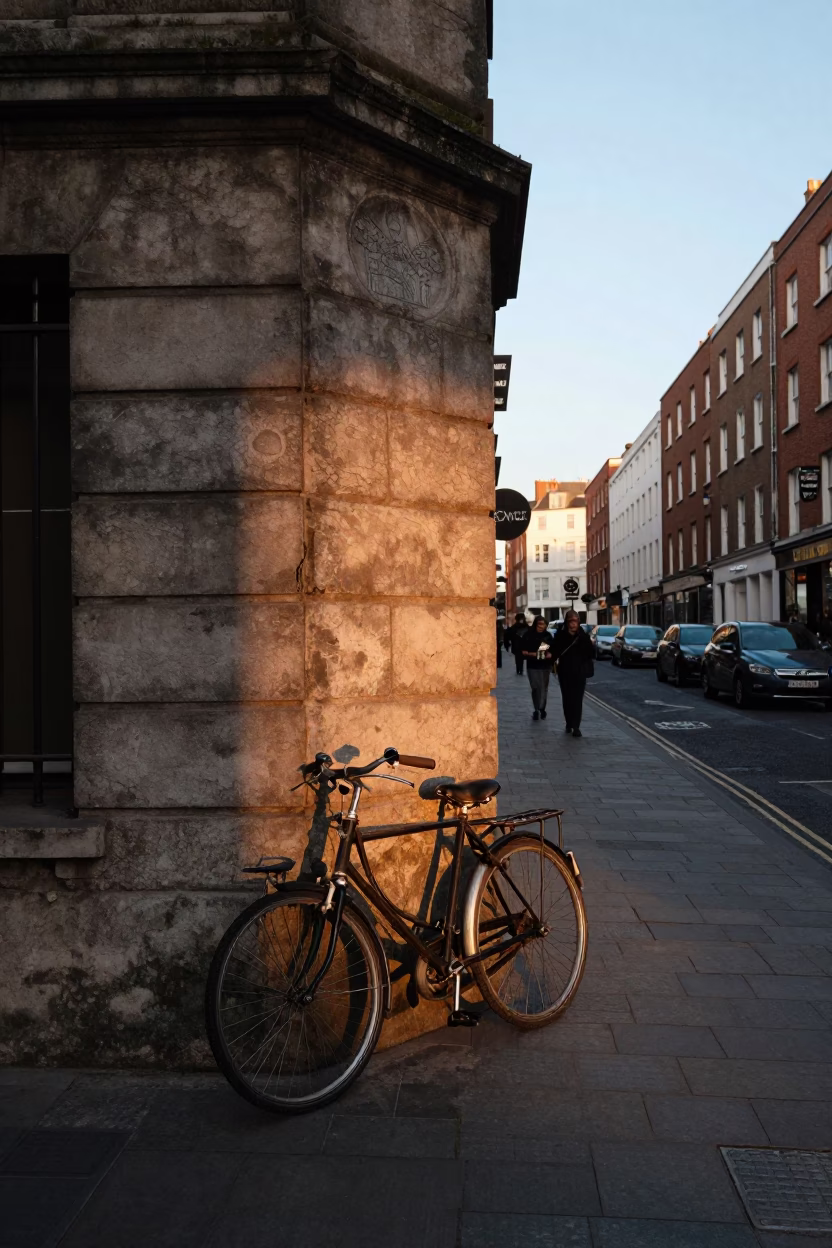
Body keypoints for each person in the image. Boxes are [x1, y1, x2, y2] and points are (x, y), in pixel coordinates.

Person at [550, 609, 594, 737]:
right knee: (567, 698)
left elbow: (591, 654)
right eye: (571, 621)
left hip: (579, 672)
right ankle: (569, 722)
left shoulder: (583, 636)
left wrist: (586, 643)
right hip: (564, 671)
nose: (573, 624)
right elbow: (554, 650)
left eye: (575, 621)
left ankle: (576, 726)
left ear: (579, 622)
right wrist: (546, 657)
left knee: (577, 699)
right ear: (567, 622)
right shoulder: (560, 635)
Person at [521, 615, 554, 720]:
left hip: (545, 666)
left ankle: (542, 708)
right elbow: (522, 651)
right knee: (535, 688)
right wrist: (535, 654)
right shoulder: (528, 635)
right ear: (535, 624)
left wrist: (530, 654)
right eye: (539, 624)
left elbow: (542, 654)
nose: (541, 626)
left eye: (543, 624)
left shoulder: (547, 636)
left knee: (543, 688)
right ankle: (536, 709)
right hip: (532, 666)